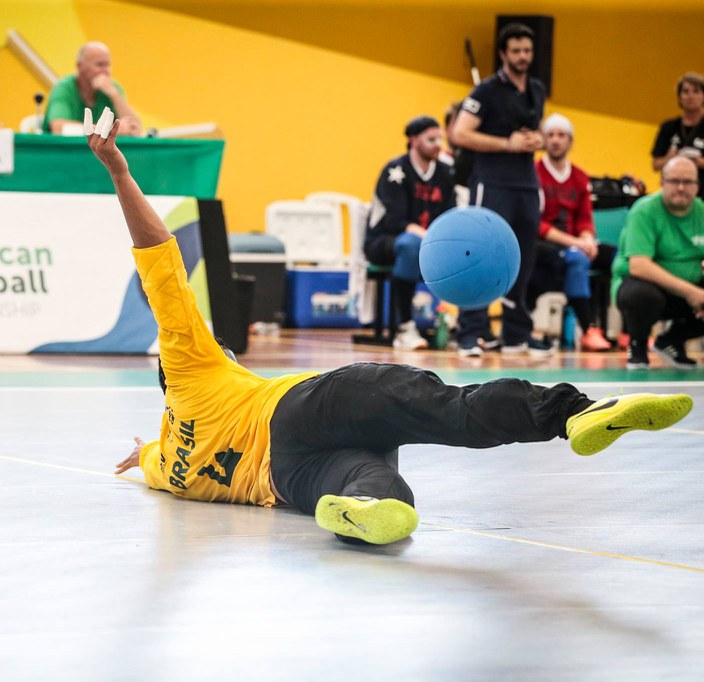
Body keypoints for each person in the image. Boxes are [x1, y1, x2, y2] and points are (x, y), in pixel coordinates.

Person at [86, 109, 694, 546]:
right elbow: (160, 256)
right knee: (446, 407)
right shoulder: (194, 368)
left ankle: (374, 510)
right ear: (183, 363)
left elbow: (154, 458)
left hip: (286, 480)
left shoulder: (173, 462)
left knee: (374, 481)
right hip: (300, 411)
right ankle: (570, 414)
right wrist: (117, 170)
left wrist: (143, 455)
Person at [450, 22, 550, 358]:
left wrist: (538, 140)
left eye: (527, 51)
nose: (523, 56)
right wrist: (507, 143)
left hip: (526, 184)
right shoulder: (486, 91)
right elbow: (459, 134)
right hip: (491, 183)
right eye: (516, 51)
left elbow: (531, 132)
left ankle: (515, 335)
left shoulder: (536, 88)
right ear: (504, 54)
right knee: (480, 257)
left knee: (522, 258)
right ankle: (471, 333)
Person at [364, 115, 456, 350]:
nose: (438, 144)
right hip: (385, 240)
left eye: (440, 139)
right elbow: (395, 220)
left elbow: (450, 215)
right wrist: (429, 237)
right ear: (414, 140)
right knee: (411, 245)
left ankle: (463, 326)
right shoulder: (395, 171)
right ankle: (404, 326)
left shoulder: (445, 174)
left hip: (428, 240)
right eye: (431, 139)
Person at [611, 156, 704, 369]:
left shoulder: (702, 212)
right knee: (641, 296)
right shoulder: (644, 210)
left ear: (697, 186)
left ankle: (672, 340)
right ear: (662, 183)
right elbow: (639, 265)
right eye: (674, 181)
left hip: (687, 290)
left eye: (688, 182)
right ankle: (638, 346)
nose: (681, 188)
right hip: (643, 286)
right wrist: (691, 292)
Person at [532, 113, 613, 351]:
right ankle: (588, 329)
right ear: (544, 140)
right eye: (551, 135)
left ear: (570, 141)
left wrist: (588, 239)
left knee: (620, 258)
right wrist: (575, 243)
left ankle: (627, 332)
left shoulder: (579, 176)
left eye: (561, 135)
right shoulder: (534, 173)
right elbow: (538, 224)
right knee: (577, 258)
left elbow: (585, 218)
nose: (556, 140)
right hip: (546, 245)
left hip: (575, 242)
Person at [43, 42, 141, 136]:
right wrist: (109, 130)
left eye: (107, 65)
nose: (105, 71)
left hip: (98, 152)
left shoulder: (112, 88)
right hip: (65, 151)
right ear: (79, 66)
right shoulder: (64, 88)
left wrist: (114, 95)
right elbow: (59, 128)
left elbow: (134, 129)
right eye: (99, 65)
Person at [651, 72, 704, 200]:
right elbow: (655, 165)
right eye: (685, 92)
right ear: (679, 97)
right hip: (674, 198)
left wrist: (700, 162)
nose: (690, 96)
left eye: (696, 91)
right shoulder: (668, 127)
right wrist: (671, 158)